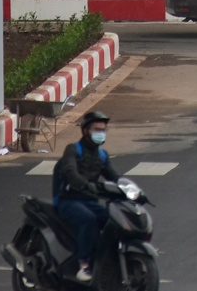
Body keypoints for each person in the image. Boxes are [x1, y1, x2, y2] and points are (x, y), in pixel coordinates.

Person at [53, 110, 122, 283]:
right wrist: (85, 184)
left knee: (114, 221)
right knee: (88, 220)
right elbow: (70, 171)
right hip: (69, 201)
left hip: (90, 201)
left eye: (103, 130)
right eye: (97, 130)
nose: (101, 133)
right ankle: (84, 265)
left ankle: (108, 260)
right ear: (85, 131)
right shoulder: (73, 150)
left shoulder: (102, 155)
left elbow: (114, 176)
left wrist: (128, 188)